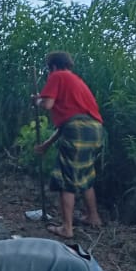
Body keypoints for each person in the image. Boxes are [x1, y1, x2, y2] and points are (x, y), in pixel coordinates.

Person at [33, 51, 104, 240]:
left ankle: (67, 228)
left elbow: (47, 104)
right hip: (95, 130)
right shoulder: (76, 81)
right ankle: (93, 217)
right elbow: (68, 123)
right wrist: (46, 145)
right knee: (85, 173)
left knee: (67, 177)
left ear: (53, 66)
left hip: (77, 129)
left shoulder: (57, 76)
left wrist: (38, 100)